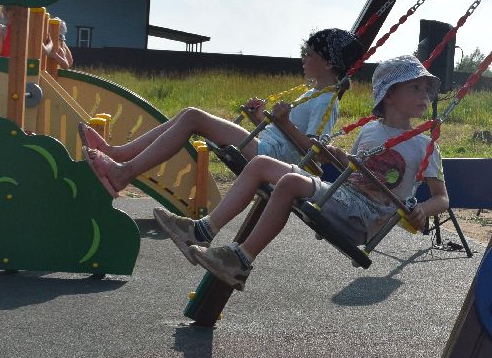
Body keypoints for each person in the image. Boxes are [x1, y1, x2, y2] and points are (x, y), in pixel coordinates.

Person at [154, 54, 448, 290]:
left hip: (367, 218)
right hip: (344, 198)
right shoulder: (370, 131)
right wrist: (338, 158)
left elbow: (442, 198)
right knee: (260, 164)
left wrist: (422, 209)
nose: (425, 94)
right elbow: (357, 175)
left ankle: (240, 260)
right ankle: (202, 230)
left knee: (290, 182)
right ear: (389, 95)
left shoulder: (424, 145)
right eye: (415, 87)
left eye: (426, 89)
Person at [82, 28, 362, 197]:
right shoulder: (314, 93)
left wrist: (285, 122)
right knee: (188, 115)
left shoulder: (328, 101)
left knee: (192, 117)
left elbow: (316, 152)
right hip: (267, 145)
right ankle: (119, 156)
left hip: (272, 156)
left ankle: (123, 172)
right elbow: (286, 131)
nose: (303, 58)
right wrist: (260, 118)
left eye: (310, 54)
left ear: (328, 64)